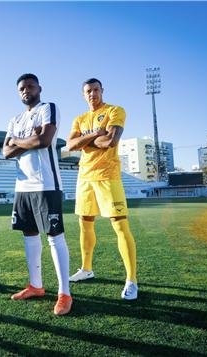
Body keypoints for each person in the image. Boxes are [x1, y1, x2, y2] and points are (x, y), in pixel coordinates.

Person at [3, 73, 72, 316]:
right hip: (23, 186)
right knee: (29, 235)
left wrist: (18, 142)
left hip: (46, 184)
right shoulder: (16, 119)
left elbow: (43, 140)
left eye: (30, 86)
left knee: (55, 236)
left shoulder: (48, 108)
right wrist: (26, 139)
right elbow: (5, 151)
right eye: (22, 87)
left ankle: (65, 293)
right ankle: (36, 286)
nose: (26, 90)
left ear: (39, 88)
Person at [66, 78, 138, 300]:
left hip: (108, 176)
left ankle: (132, 280)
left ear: (102, 90)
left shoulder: (115, 110)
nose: (92, 94)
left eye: (96, 90)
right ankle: (86, 269)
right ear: (83, 94)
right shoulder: (79, 118)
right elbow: (69, 146)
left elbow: (111, 141)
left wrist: (84, 141)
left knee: (120, 226)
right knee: (84, 224)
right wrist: (95, 134)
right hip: (85, 177)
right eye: (88, 91)